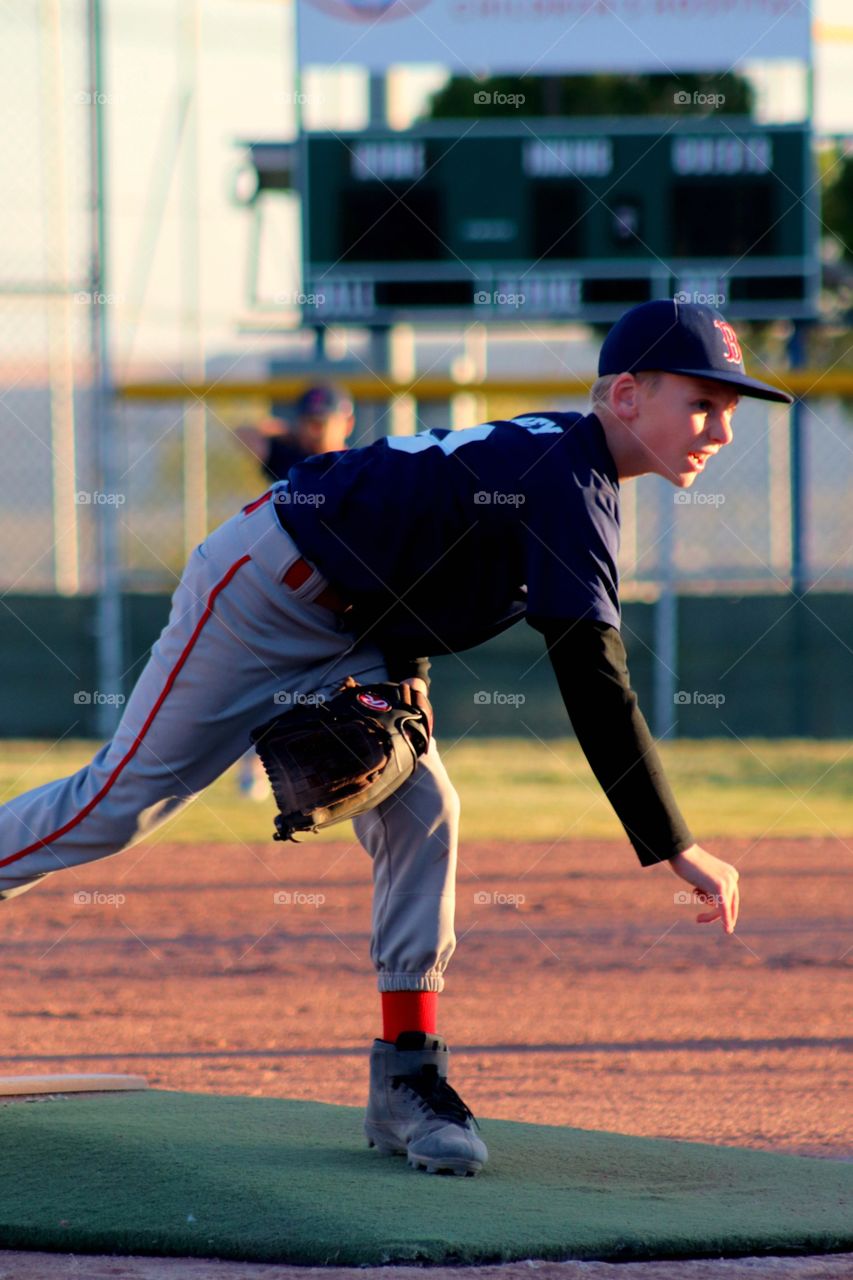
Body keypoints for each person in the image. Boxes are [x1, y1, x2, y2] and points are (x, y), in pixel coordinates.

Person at [0, 301, 792, 1178]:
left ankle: (406, 1081)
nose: (720, 429)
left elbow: (420, 543)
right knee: (118, 806)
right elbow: (592, 679)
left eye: (730, 409)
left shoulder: (563, 463)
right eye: (703, 404)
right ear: (630, 393)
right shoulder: (568, 476)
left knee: (427, 810)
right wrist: (673, 843)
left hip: (356, 622)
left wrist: (402, 680)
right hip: (263, 590)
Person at [234, 384, 355, 798]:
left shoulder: (357, 465)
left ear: (347, 422)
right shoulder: (291, 460)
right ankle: (253, 767)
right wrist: (281, 429)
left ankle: (334, 774)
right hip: (284, 591)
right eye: (310, 421)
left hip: (340, 596)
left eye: (325, 421)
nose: (316, 430)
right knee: (265, 680)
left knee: (337, 690)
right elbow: (243, 433)